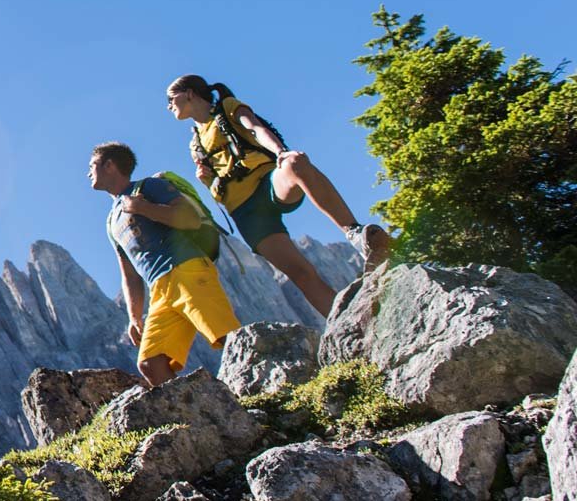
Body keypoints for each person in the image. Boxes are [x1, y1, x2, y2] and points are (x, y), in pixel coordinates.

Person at [165, 75, 391, 318]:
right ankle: (350, 321)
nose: (169, 106)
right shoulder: (195, 144)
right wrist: (205, 179)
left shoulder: (227, 108)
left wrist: (281, 152)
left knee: (295, 162)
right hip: (244, 211)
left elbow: (255, 128)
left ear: (189, 93)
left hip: (268, 184)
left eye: (171, 99)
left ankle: (356, 234)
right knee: (301, 274)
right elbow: (217, 193)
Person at [89, 141, 240, 387]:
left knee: (229, 336)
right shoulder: (111, 221)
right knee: (151, 363)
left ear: (109, 165)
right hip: (159, 289)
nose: (88, 172)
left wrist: (144, 208)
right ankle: (201, 418)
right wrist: (134, 317)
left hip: (187, 268)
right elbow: (129, 272)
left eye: (92, 165)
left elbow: (190, 219)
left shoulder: (150, 187)